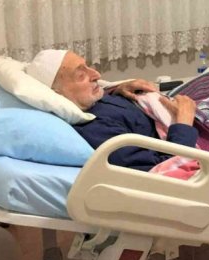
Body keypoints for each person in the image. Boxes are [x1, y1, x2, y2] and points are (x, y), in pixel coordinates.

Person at [26, 49, 198, 171]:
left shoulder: (93, 100)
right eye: (81, 75)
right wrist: (184, 123)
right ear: (57, 95)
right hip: (195, 135)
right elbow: (164, 171)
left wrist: (117, 90)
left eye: (88, 66)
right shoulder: (96, 131)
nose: (96, 75)